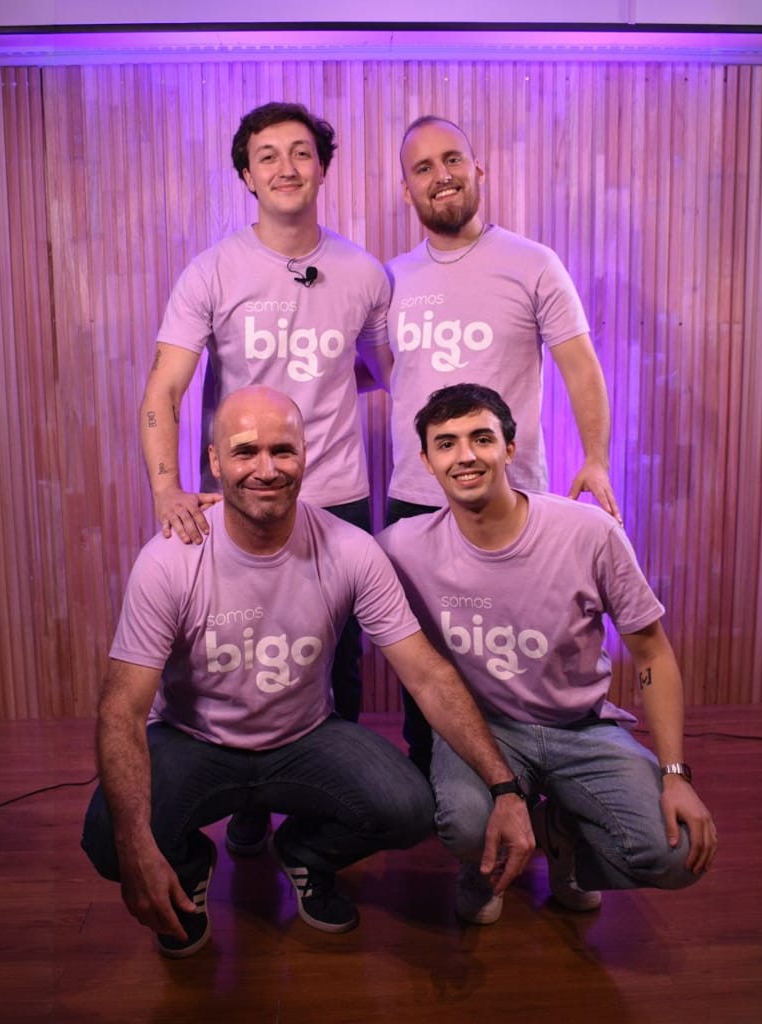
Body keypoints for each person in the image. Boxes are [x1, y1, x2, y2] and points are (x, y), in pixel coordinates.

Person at [81, 386, 533, 957]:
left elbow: (426, 674)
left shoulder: (349, 549)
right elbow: (121, 708)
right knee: (110, 837)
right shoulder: (170, 559)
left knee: (410, 808)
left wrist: (504, 786)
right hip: (195, 741)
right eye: (246, 452)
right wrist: (137, 846)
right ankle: (189, 866)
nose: (266, 469)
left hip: (304, 738)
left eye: (282, 451)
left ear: (305, 455)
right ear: (215, 461)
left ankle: (304, 853)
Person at [139, 101, 392, 848]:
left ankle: (316, 821)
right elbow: (163, 389)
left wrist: (323, 394)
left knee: (338, 663)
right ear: (247, 176)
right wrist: (166, 488)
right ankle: (248, 797)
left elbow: (381, 369)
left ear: (323, 167)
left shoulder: (363, 272)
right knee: (241, 657)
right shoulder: (212, 271)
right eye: (268, 156)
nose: (286, 167)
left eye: (301, 152)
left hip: (337, 496)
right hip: (242, 498)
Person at [377, 383, 717, 926]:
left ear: (510, 449)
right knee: (464, 825)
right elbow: (325, 557)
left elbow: (652, 653)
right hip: (485, 729)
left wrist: (676, 774)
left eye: (481, 438)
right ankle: (484, 864)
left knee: (677, 853)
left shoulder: (589, 533)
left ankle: (565, 837)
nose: (465, 456)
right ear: (426, 461)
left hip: (580, 726)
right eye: (446, 443)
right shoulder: (401, 545)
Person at [382, 114, 622, 773]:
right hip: (417, 499)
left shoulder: (532, 262)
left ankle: (531, 780)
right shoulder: (390, 281)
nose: (441, 176)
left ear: (478, 170)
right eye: (423, 168)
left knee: (519, 655)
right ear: (407, 190)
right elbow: (375, 371)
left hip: (511, 499)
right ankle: (439, 785)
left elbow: (581, 366)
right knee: (426, 658)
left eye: (452, 159)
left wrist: (596, 459)